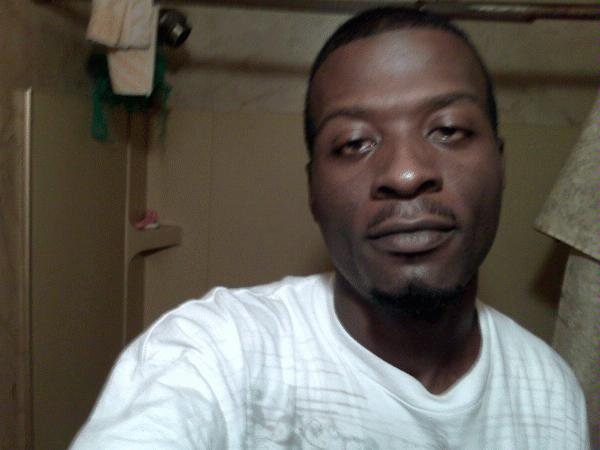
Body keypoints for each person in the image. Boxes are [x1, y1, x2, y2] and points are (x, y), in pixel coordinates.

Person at [71, 7, 589, 449]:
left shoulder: (549, 389)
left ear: (500, 165)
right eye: (355, 143)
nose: (406, 173)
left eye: (448, 130)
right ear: (313, 192)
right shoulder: (217, 350)